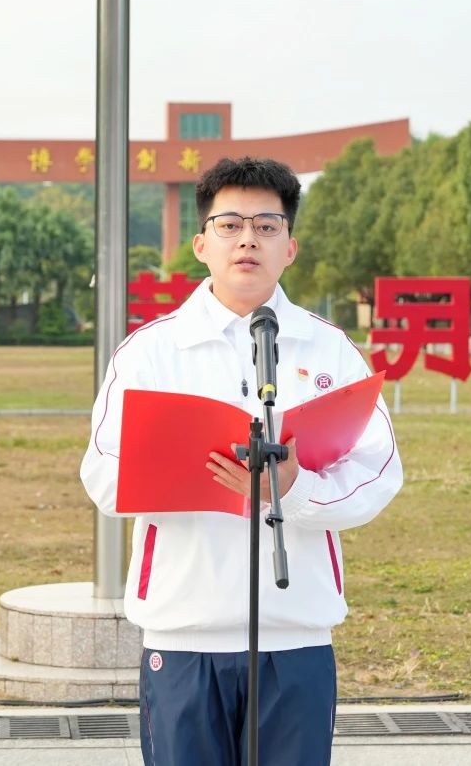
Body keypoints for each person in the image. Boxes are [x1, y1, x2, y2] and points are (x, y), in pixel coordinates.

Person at [80, 156, 403, 766]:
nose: (247, 240)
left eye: (266, 226)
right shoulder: (151, 352)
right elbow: (101, 474)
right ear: (202, 244)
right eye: (229, 225)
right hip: (183, 629)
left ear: (291, 247)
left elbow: (379, 471)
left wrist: (293, 489)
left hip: (296, 629)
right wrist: (183, 470)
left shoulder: (329, 349)